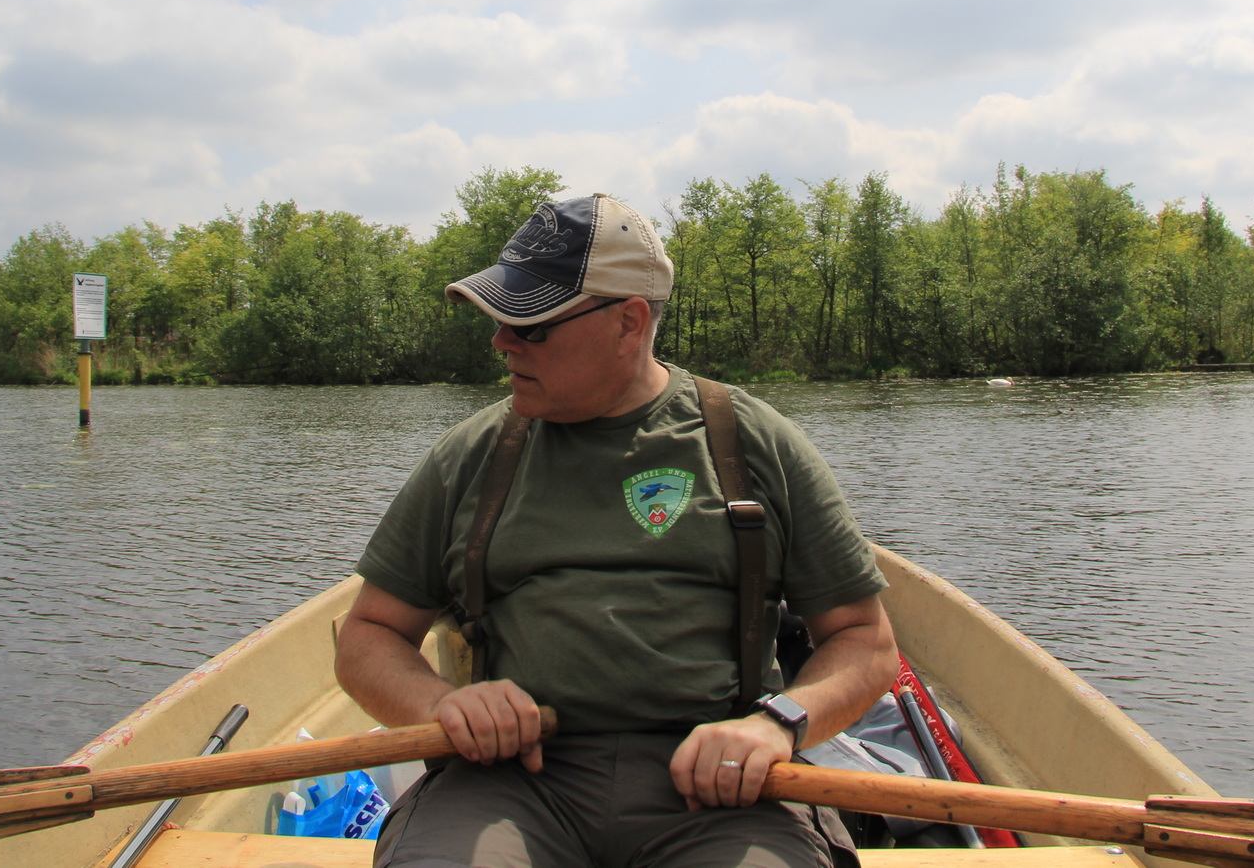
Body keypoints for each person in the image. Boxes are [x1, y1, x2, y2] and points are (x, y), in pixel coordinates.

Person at [335, 193, 898, 868]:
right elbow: (367, 635)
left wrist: (777, 725)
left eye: (530, 325)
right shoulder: (471, 455)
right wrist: (442, 704)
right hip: (511, 786)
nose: (500, 341)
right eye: (500, 318)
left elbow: (866, 643)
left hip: (721, 791)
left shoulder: (756, 444)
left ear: (629, 322)